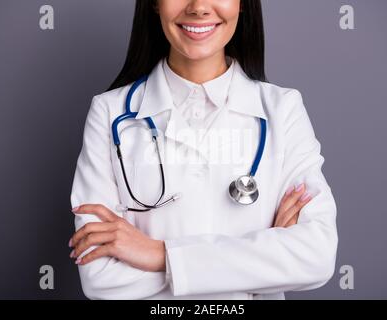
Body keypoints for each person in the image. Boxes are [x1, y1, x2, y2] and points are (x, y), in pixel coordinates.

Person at [69, 0, 338, 300]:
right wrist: (266, 260)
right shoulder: (109, 112)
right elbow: (100, 277)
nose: (199, 7)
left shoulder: (283, 110)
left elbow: (316, 255)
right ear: (155, 4)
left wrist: (158, 254)